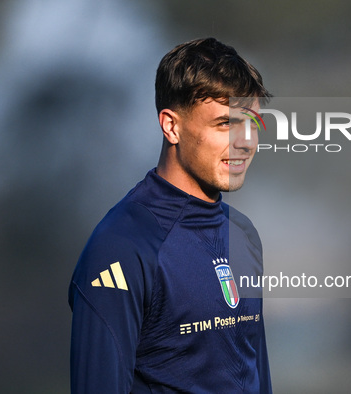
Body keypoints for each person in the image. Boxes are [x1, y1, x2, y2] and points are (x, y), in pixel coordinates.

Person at [68, 37, 272, 393]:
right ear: (171, 126)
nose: (245, 141)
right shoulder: (121, 247)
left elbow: (257, 378)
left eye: (251, 122)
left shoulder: (243, 235)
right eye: (224, 123)